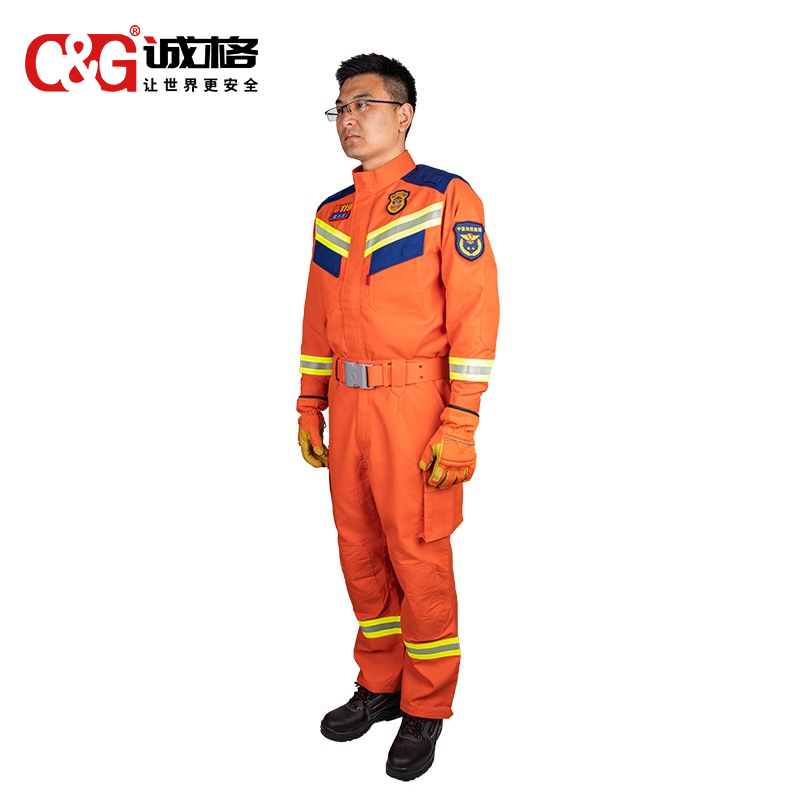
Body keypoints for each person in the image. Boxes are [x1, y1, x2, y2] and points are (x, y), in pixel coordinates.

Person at [296, 53, 499, 781]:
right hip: (349, 406)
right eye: (340, 108)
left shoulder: (446, 197)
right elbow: (317, 318)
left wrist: (460, 423)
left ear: (404, 114)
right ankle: (380, 683)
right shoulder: (332, 213)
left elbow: (475, 316)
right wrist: (310, 403)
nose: (348, 119)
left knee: (418, 556)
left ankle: (427, 705)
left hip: (415, 406)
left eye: (363, 104)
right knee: (360, 552)